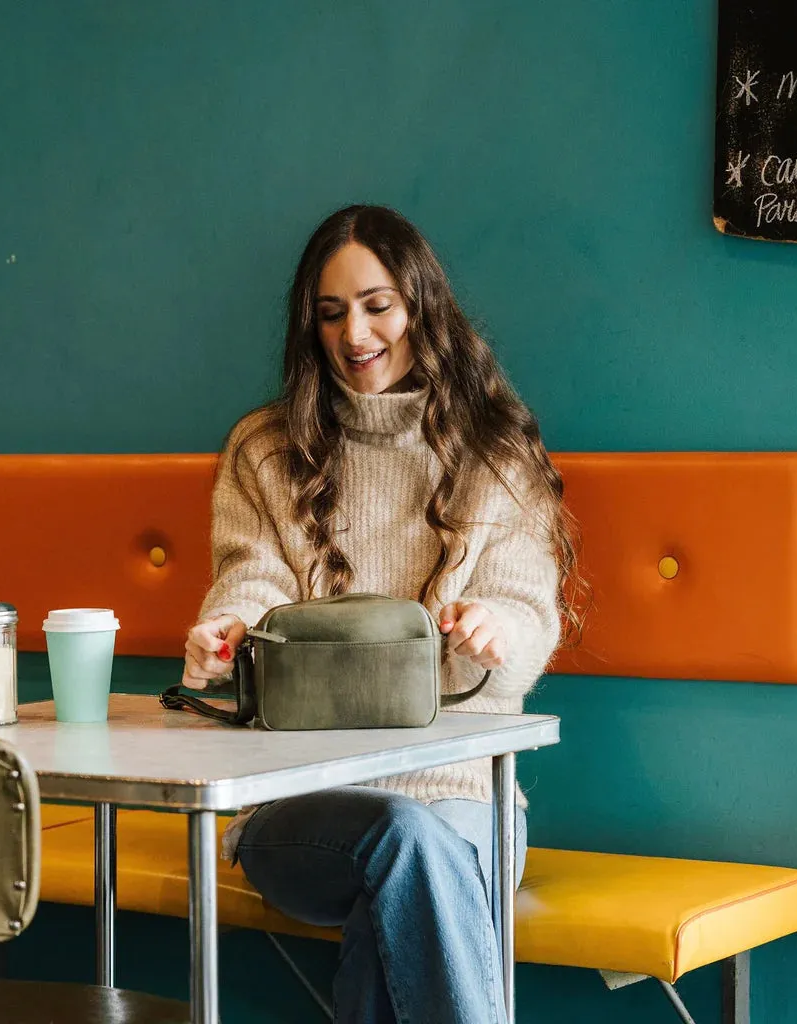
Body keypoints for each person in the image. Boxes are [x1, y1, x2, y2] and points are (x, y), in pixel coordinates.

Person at [182, 205, 584, 1024]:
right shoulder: (265, 450)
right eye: (330, 314)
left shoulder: (495, 449)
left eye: (377, 305)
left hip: (470, 799)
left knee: (403, 874)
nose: (354, 332)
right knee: (402, 838)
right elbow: (251, 579)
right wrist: (227, 633)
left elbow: (524, 604)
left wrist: (497, 626)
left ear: (420, 308)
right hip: (298, 804)